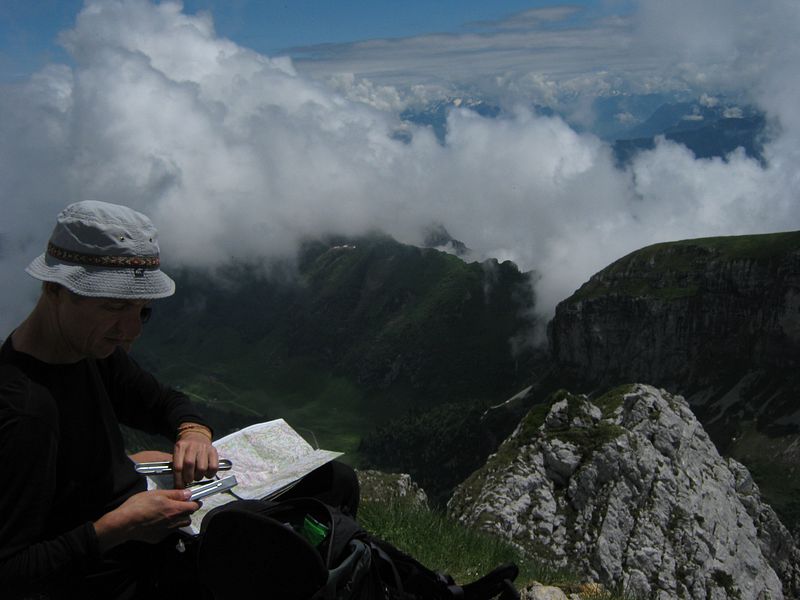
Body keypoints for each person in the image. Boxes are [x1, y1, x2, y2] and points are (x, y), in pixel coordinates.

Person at [0, 201, 358, 599]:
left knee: (334, 481)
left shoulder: (85, 350)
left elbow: (162, 402)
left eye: (143, 311)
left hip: (148, 527)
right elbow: (11, 571)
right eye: (115, 306)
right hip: (123, 572)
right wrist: (117, 527)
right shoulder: (24, 413)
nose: (131, 330)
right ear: (56, 289)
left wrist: (193, 433)